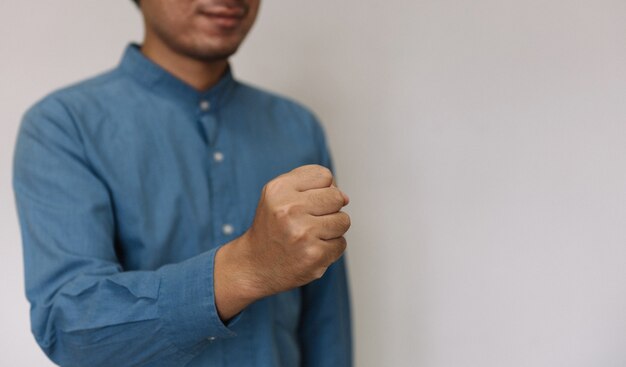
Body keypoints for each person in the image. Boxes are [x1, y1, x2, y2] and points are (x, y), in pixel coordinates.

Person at [12, 0, 352, 365]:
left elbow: (326, 327)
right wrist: (246, 267)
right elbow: (71, 328)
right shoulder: (64, 126)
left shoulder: (297, 127)